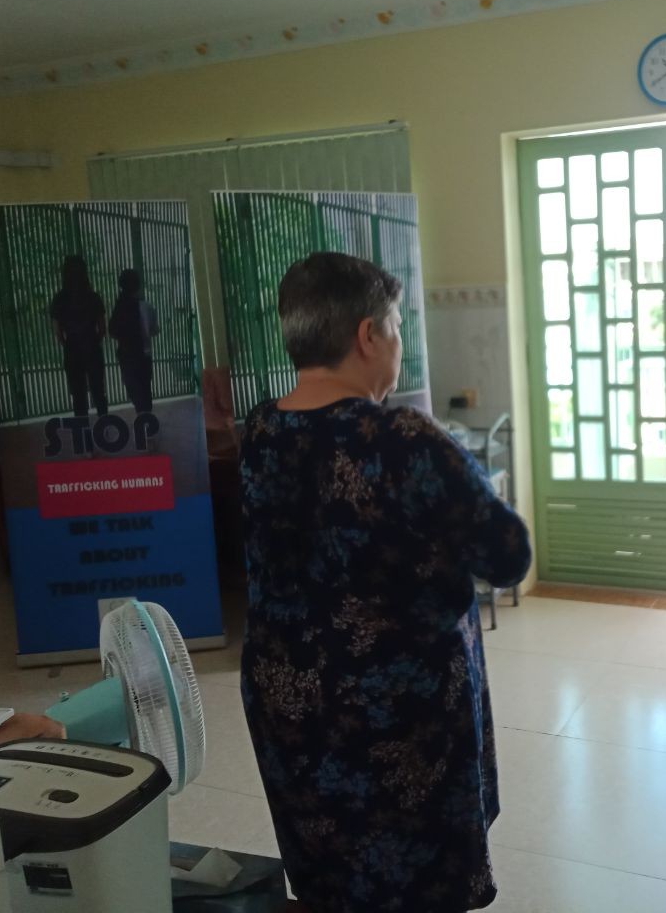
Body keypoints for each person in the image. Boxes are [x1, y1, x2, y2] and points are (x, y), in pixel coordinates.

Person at [239, 252, 531, 913]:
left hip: (288, 697)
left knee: (330, 869)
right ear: (368, 335)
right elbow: (507, 554)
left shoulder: (260, 429)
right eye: (397, 326)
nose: (399, 342)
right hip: (395, 712)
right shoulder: (402, 438)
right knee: (414, 879)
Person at [50, 254, 108, 417]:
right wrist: (94, 341)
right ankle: (104, 424)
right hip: (92, 347)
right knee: (98, 391)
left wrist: (68, 344)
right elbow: (102, 328)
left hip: (72, 349)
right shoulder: (93, 298)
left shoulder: (59, 299)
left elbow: (57, 332)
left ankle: (82, 428)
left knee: (78, 394)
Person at [107, 267, 160, 414]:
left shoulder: (119, 307)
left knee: (133, 388)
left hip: (126, 354)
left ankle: (141, 413)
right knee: (145, 387)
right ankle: (147, 418)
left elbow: (112, 331)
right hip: (144, 353)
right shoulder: (146, 307)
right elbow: (155, 330)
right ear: (138, 285)